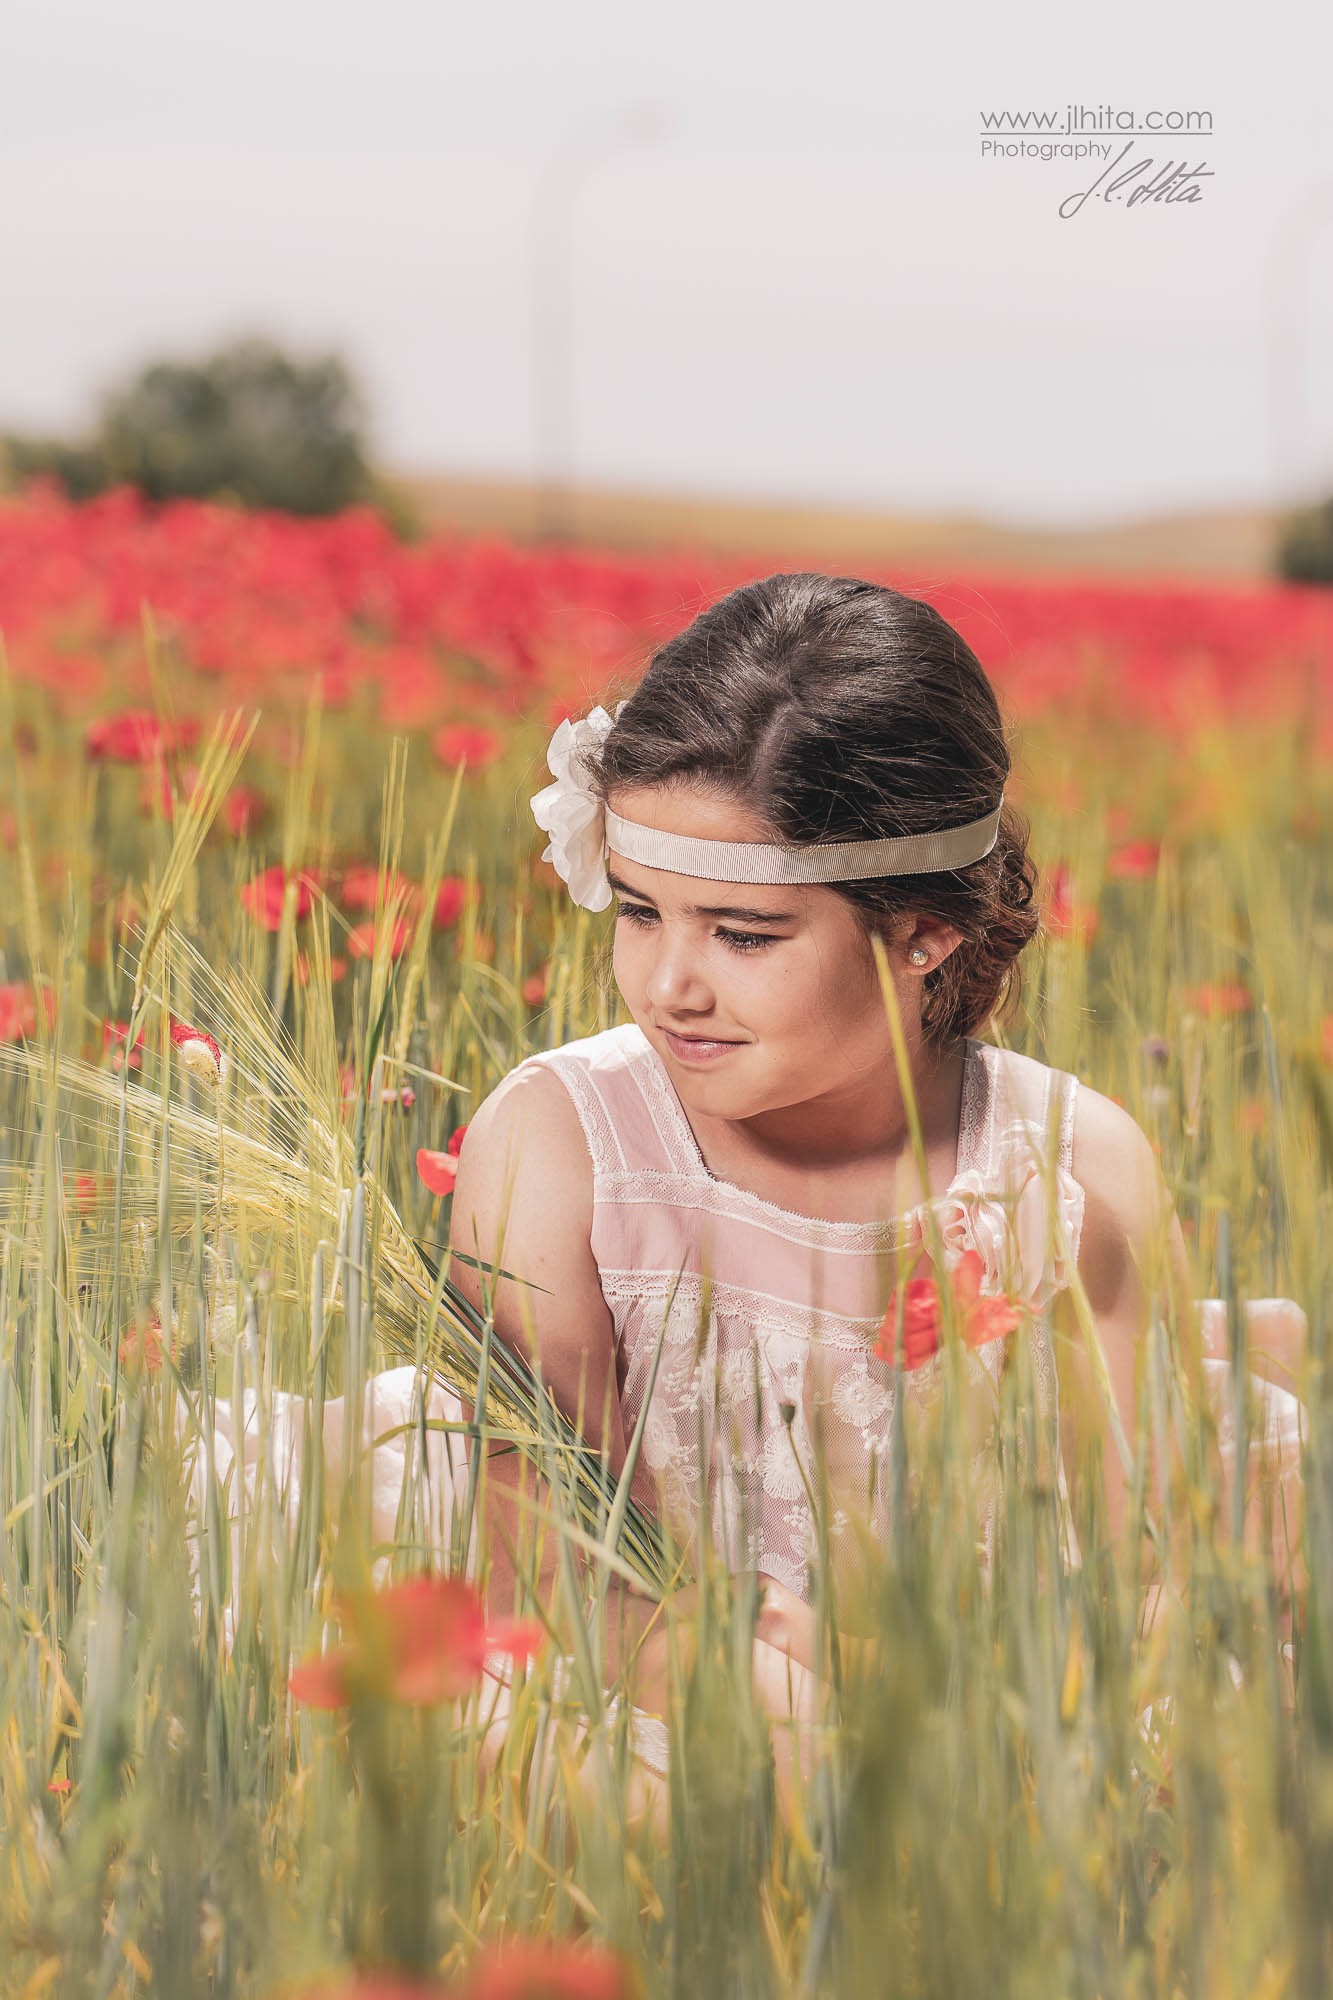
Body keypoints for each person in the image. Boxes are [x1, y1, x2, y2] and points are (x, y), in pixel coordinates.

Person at [447, 571, 1307, 1744]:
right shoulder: (562, 1144)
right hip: (657, 1696)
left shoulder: (1069, 1166)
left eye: (742, 933)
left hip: (992, 1709)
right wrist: (804, 1715)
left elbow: (1136, 1585)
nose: (668, 985)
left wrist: (910, 1693)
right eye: (639, 911)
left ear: (924, 930)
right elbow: (546, 1585)